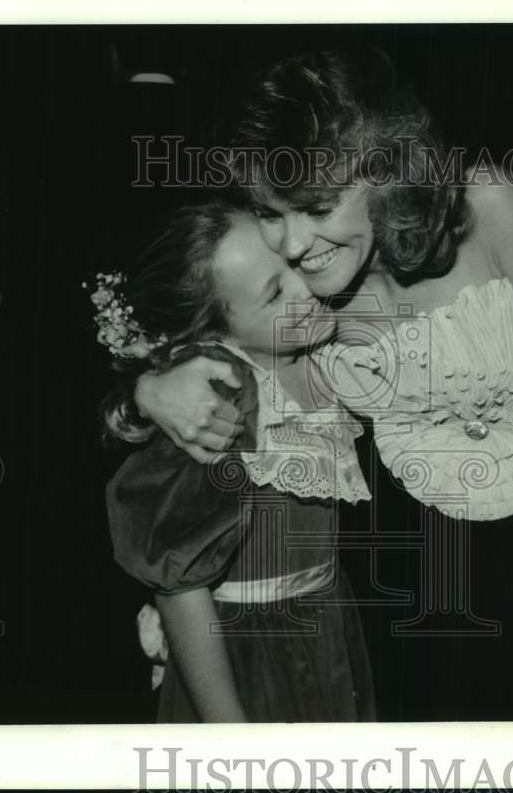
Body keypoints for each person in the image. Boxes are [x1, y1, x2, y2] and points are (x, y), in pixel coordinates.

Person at [131, 50, 513, 712]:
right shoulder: (299, 287)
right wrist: (153, 385)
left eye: (320, 207)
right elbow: (185, 312)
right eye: (273, 211)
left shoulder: (486, 205)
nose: (295, 242)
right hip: (380, 601)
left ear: (386, 171)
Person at [95, 198, 376, 722]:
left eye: (292, 266)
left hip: (325, 630)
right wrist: (231, 734)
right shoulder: (221, 394)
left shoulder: (315, 346)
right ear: (214, 334)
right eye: (274, 293)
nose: (303, 289)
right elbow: (180, 586)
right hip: (247, 658)